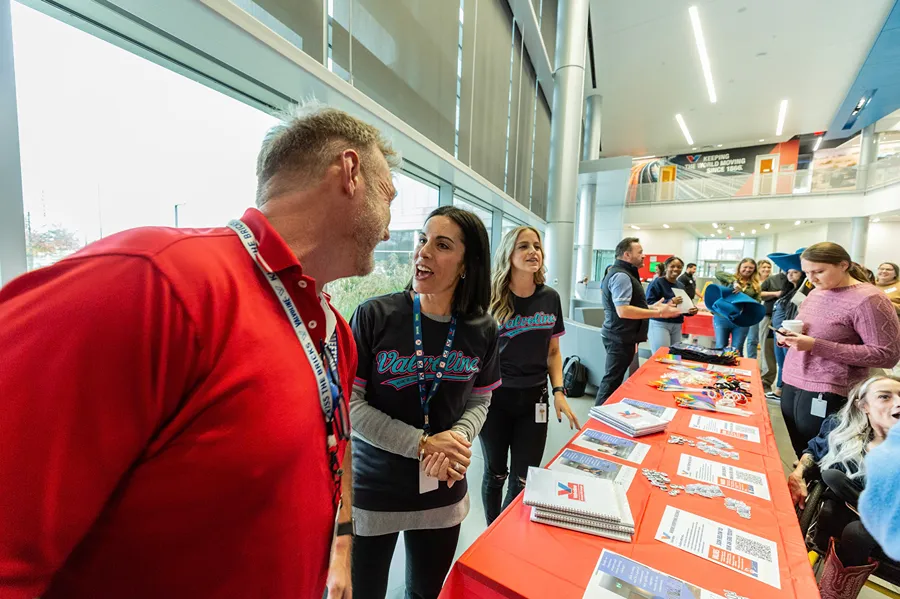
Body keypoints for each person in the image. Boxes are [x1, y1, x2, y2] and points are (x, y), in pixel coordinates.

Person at [0, 104, 398, 599]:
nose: (388, 227)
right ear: (350, 171)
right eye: (388, 196)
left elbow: (332, 458)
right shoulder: (151, 281)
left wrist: (339, 551)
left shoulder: (335, 334)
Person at [348, 206, 500, 599]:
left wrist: (457, 439)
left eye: (442, 244)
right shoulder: (375, 315)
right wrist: (422, 444)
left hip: (442, 489)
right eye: (422, 239)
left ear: (467, 263)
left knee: (424, 594)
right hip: (374, 491)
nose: (423, 252)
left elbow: (481, 399)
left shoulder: (482, 328)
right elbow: (351, 404)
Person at [480, 227, 581, 525]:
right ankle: (490, 532)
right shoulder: (489, 297)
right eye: (524, 246)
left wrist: (559, 391)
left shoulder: (550, 298)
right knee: (496, 472)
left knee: (524, 477)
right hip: (494, 400)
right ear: (509, 254)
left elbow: (553, 351)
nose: (533, 252)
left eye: (536, 246)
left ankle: (505, 532)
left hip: (534, 400)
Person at [778, 242, 900, 458]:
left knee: (820, 456)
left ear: (844, 265)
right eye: (807, 272)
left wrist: (816, 345)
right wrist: (787, 337)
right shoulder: (816, 292)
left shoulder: (870, 299)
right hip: (793, 380)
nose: (811, 278)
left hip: (831, 388)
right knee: (799, 452)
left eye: (818, 271)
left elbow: (886, 354)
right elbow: (806, 329)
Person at [787, 375, 900, 599]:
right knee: (834, 483)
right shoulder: (840, 426)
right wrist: (799, 473)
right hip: (847, 504)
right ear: (863, 405)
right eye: (885, 397)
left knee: (857, 530)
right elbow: (814, 451)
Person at [595, 237, 680, 405]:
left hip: (622, 335)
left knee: (614, 378)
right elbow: (623, 310)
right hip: (619, 336)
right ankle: (596, 418)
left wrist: (654, 308)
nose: (644, 256)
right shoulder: (622, 276)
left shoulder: (625, 274)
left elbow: (628, 306)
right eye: (640, 252)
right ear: (627, 255)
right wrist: (659, 314)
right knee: (612, 380)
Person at [645, 256, 699, 354]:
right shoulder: (656, 283)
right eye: (672, 266)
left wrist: (690, 311)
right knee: (662, 355)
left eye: (679, 267)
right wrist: (670, 302)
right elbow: (648, 304)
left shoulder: (680, 285)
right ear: (666, 267)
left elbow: (683, 306)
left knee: (675, 355)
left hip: (677, 324)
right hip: (660, 323)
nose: (675, 269)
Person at [768, 268, 806, 400]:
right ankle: (779, 389)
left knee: (787, 363)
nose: (790, 275)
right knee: (781, 362)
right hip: (778, 331)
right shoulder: (788, 291)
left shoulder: (803, 292)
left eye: (795, 272)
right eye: (788, 272)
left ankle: (784, 391)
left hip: (789, 331)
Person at [712, 258, 761, 355]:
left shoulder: (756, 285)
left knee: (737, 348)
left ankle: (735, 369)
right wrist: (734, 282)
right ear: (739, 268)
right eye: (745, 267)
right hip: (722, 317)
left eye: (751, 268)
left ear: (754, 270)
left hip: (741, 320)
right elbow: (718, 273)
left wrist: (746, 299)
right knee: (720, 346)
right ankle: (719, 368)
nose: (747, 270)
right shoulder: (729, 279)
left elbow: (758, 301)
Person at [758, 259, 786, 391]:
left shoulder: (804, 281)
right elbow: (759, 294)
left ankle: (782, 384)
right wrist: (775, 294)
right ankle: (766, 380)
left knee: (782, 353)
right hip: (769, 317)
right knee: (767, 348)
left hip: (788, 321)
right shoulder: (773, 280)